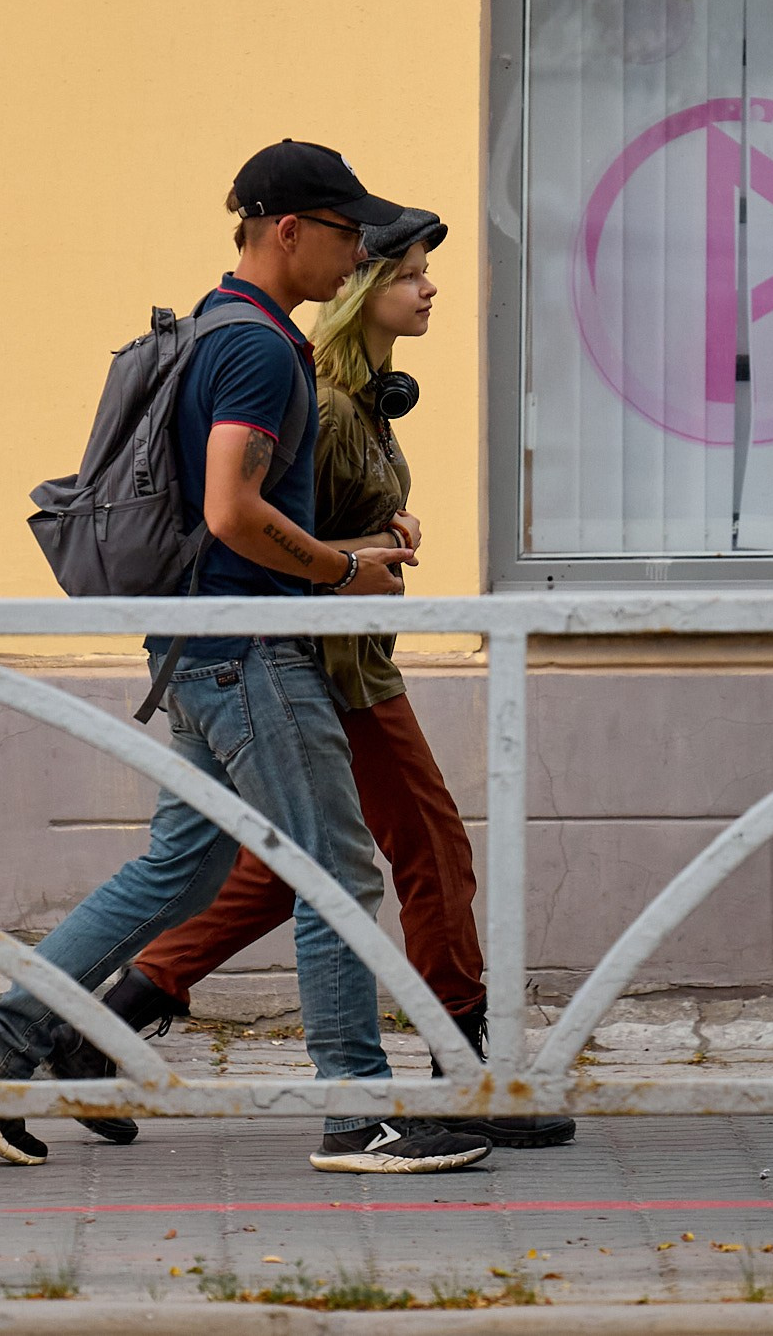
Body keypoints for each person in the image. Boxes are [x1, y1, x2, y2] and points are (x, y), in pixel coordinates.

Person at [0, 140, 493, 1176]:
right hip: (249, 652)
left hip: (203, 646)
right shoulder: (259, 349)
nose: (353, 253)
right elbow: (234, 511)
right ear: (289, 230)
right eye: (342, 233)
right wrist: (335, 576)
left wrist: (343, 556)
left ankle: (1, 1044)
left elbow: (233, 509)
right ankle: (356, 1112)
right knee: (331, 872)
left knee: (179, 867)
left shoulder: (217, 326)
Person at [53, 209, 578, 1150]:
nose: (429, 288)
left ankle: (91, 1030)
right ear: (363, 286)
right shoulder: (324, 398)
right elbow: (266, 533)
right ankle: (460, 1075)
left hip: (342, 657)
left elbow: (322, 525)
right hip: (326, 666)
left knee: (270, 875)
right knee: (427, 849)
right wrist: (359, 556)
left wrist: (390, 527)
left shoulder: (362, 395)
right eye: (410, 272)